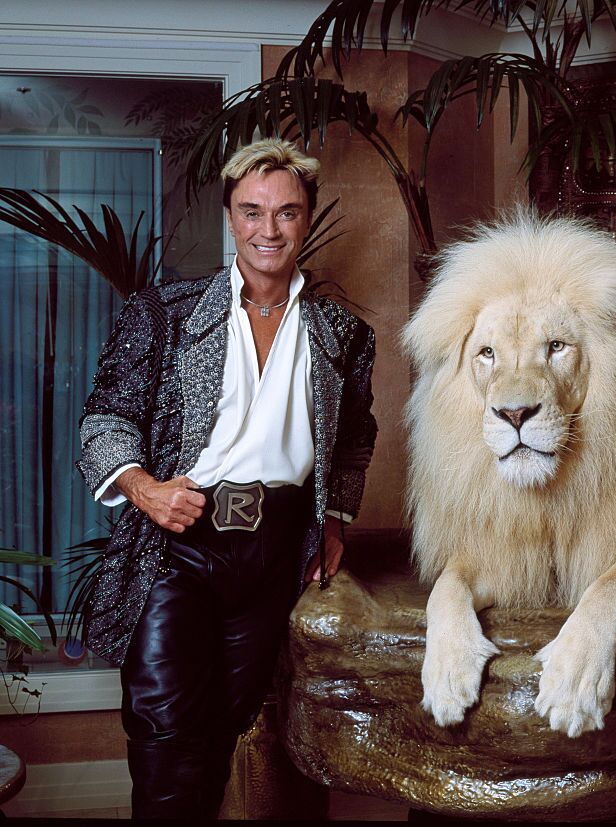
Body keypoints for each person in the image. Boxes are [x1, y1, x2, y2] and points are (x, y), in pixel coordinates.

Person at [77, 138, 376, 819]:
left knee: (225, 724)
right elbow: (103, 421)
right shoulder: (167, 312)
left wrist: (334, 521)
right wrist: (144, 487)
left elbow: (355, 439)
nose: (268, 230)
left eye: (286, 213)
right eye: (251, 211)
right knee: (163, 730)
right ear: (229, 218)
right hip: (178, 550)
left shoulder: (342, 333)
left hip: (274, 556)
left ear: (306, 217)